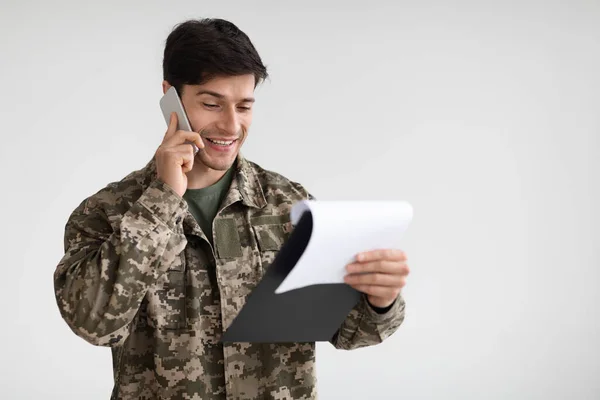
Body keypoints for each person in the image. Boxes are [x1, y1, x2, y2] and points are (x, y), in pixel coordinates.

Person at [53, 18, 410, 400]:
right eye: (211, 104)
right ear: (170, 97)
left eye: (244, 106)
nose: (231, 125)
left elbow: (350, 331)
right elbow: (93, 323)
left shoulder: (289, 205)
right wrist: (162, 202)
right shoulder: (107, 212)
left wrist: (380, 298)